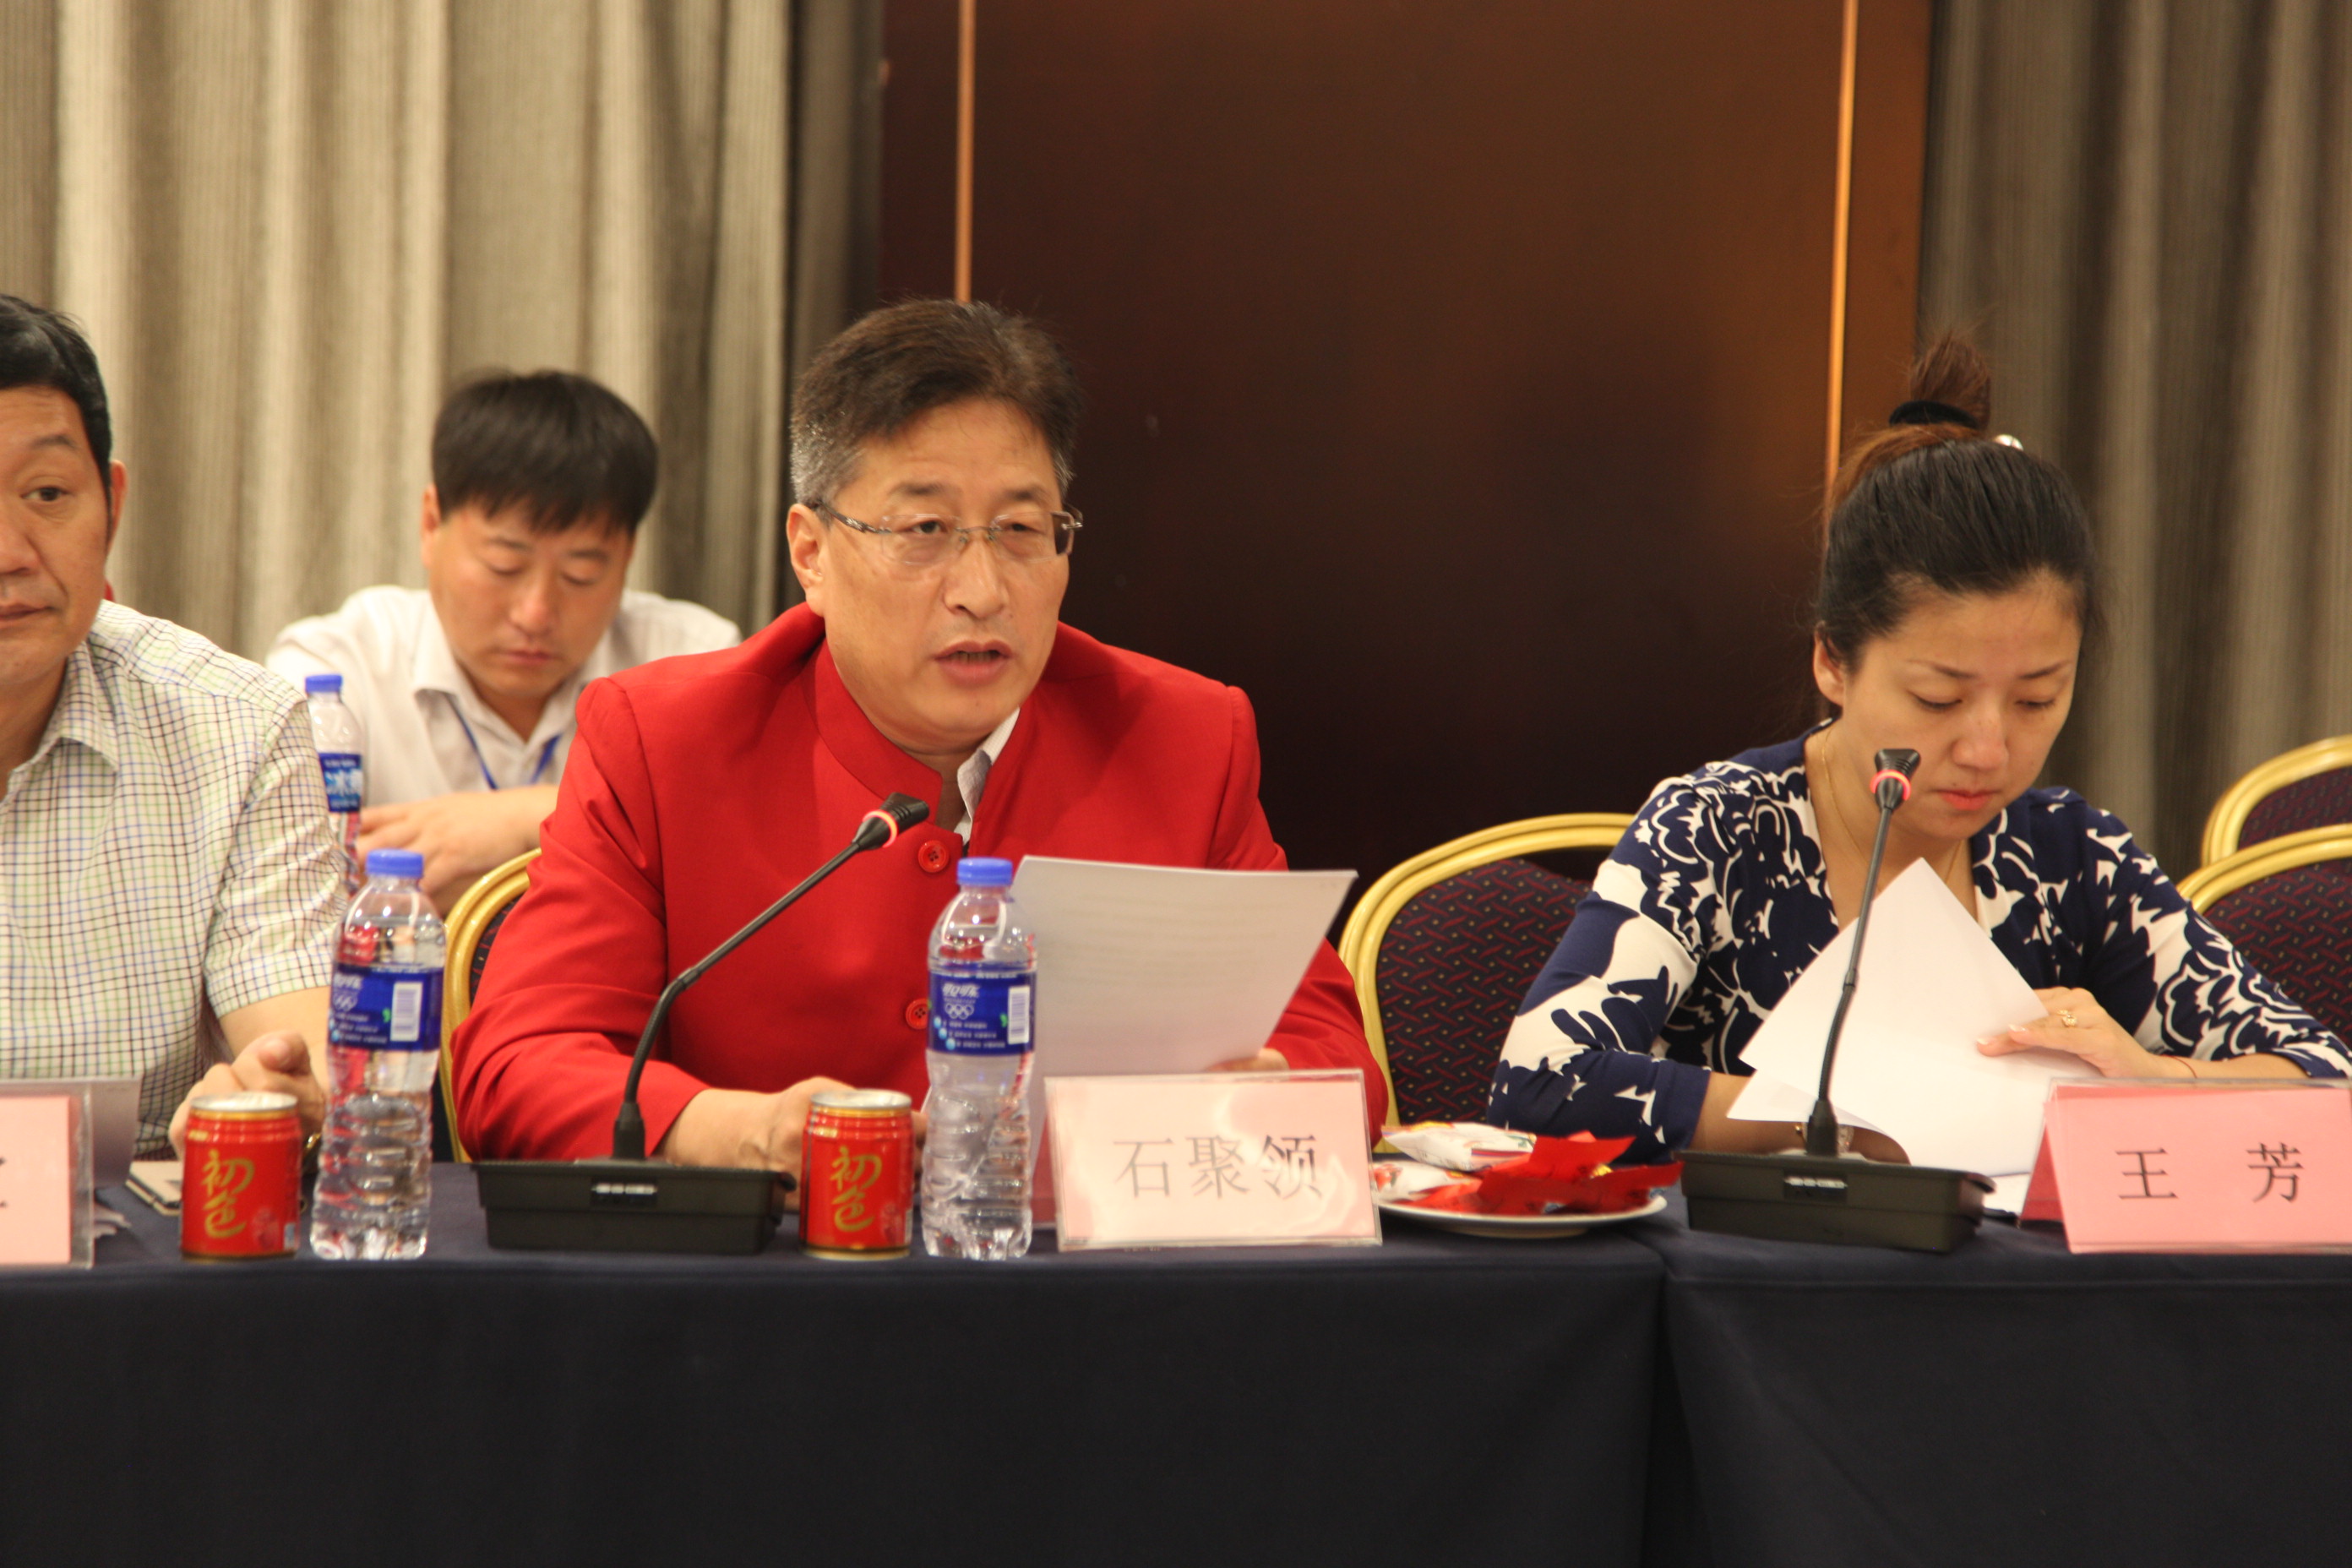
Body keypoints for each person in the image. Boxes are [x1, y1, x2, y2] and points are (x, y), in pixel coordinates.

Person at [452, 298, 1384, 1182]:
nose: (982, 589)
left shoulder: (1181, 738)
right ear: (811, 552)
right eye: (926, 528)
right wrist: (745, 1133)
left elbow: (1332, 1056)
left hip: (1080, 1273)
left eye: (1022, 530)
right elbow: (518, 1064)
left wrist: (1259, 1095)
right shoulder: (663, 742)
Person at [1492, 337, 2350, 1164]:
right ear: (1833, 661)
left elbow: (2327, 1081)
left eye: (2037, 699)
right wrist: (1856, 1121)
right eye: (1938, 699)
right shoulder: (1715, 829)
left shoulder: (2071, 859)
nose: (1987, 749)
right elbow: (1541, 1083)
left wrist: (2151, 1080)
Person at [0, 295, 341, 1152]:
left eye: (47, 493)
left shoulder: (240, 729)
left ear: (111, 506)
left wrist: (271, 1089)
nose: (10, 552)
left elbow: (297, 1051)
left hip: (137, 1229)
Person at [266, 372, 738, 912]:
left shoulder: (695, 662)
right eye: (503, 565)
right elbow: (283, 895)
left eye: (581, 574)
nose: (535, 613)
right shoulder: (336, 671)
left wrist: (525, 819)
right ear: (430, 524)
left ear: (627, 555)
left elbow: (735, 843)